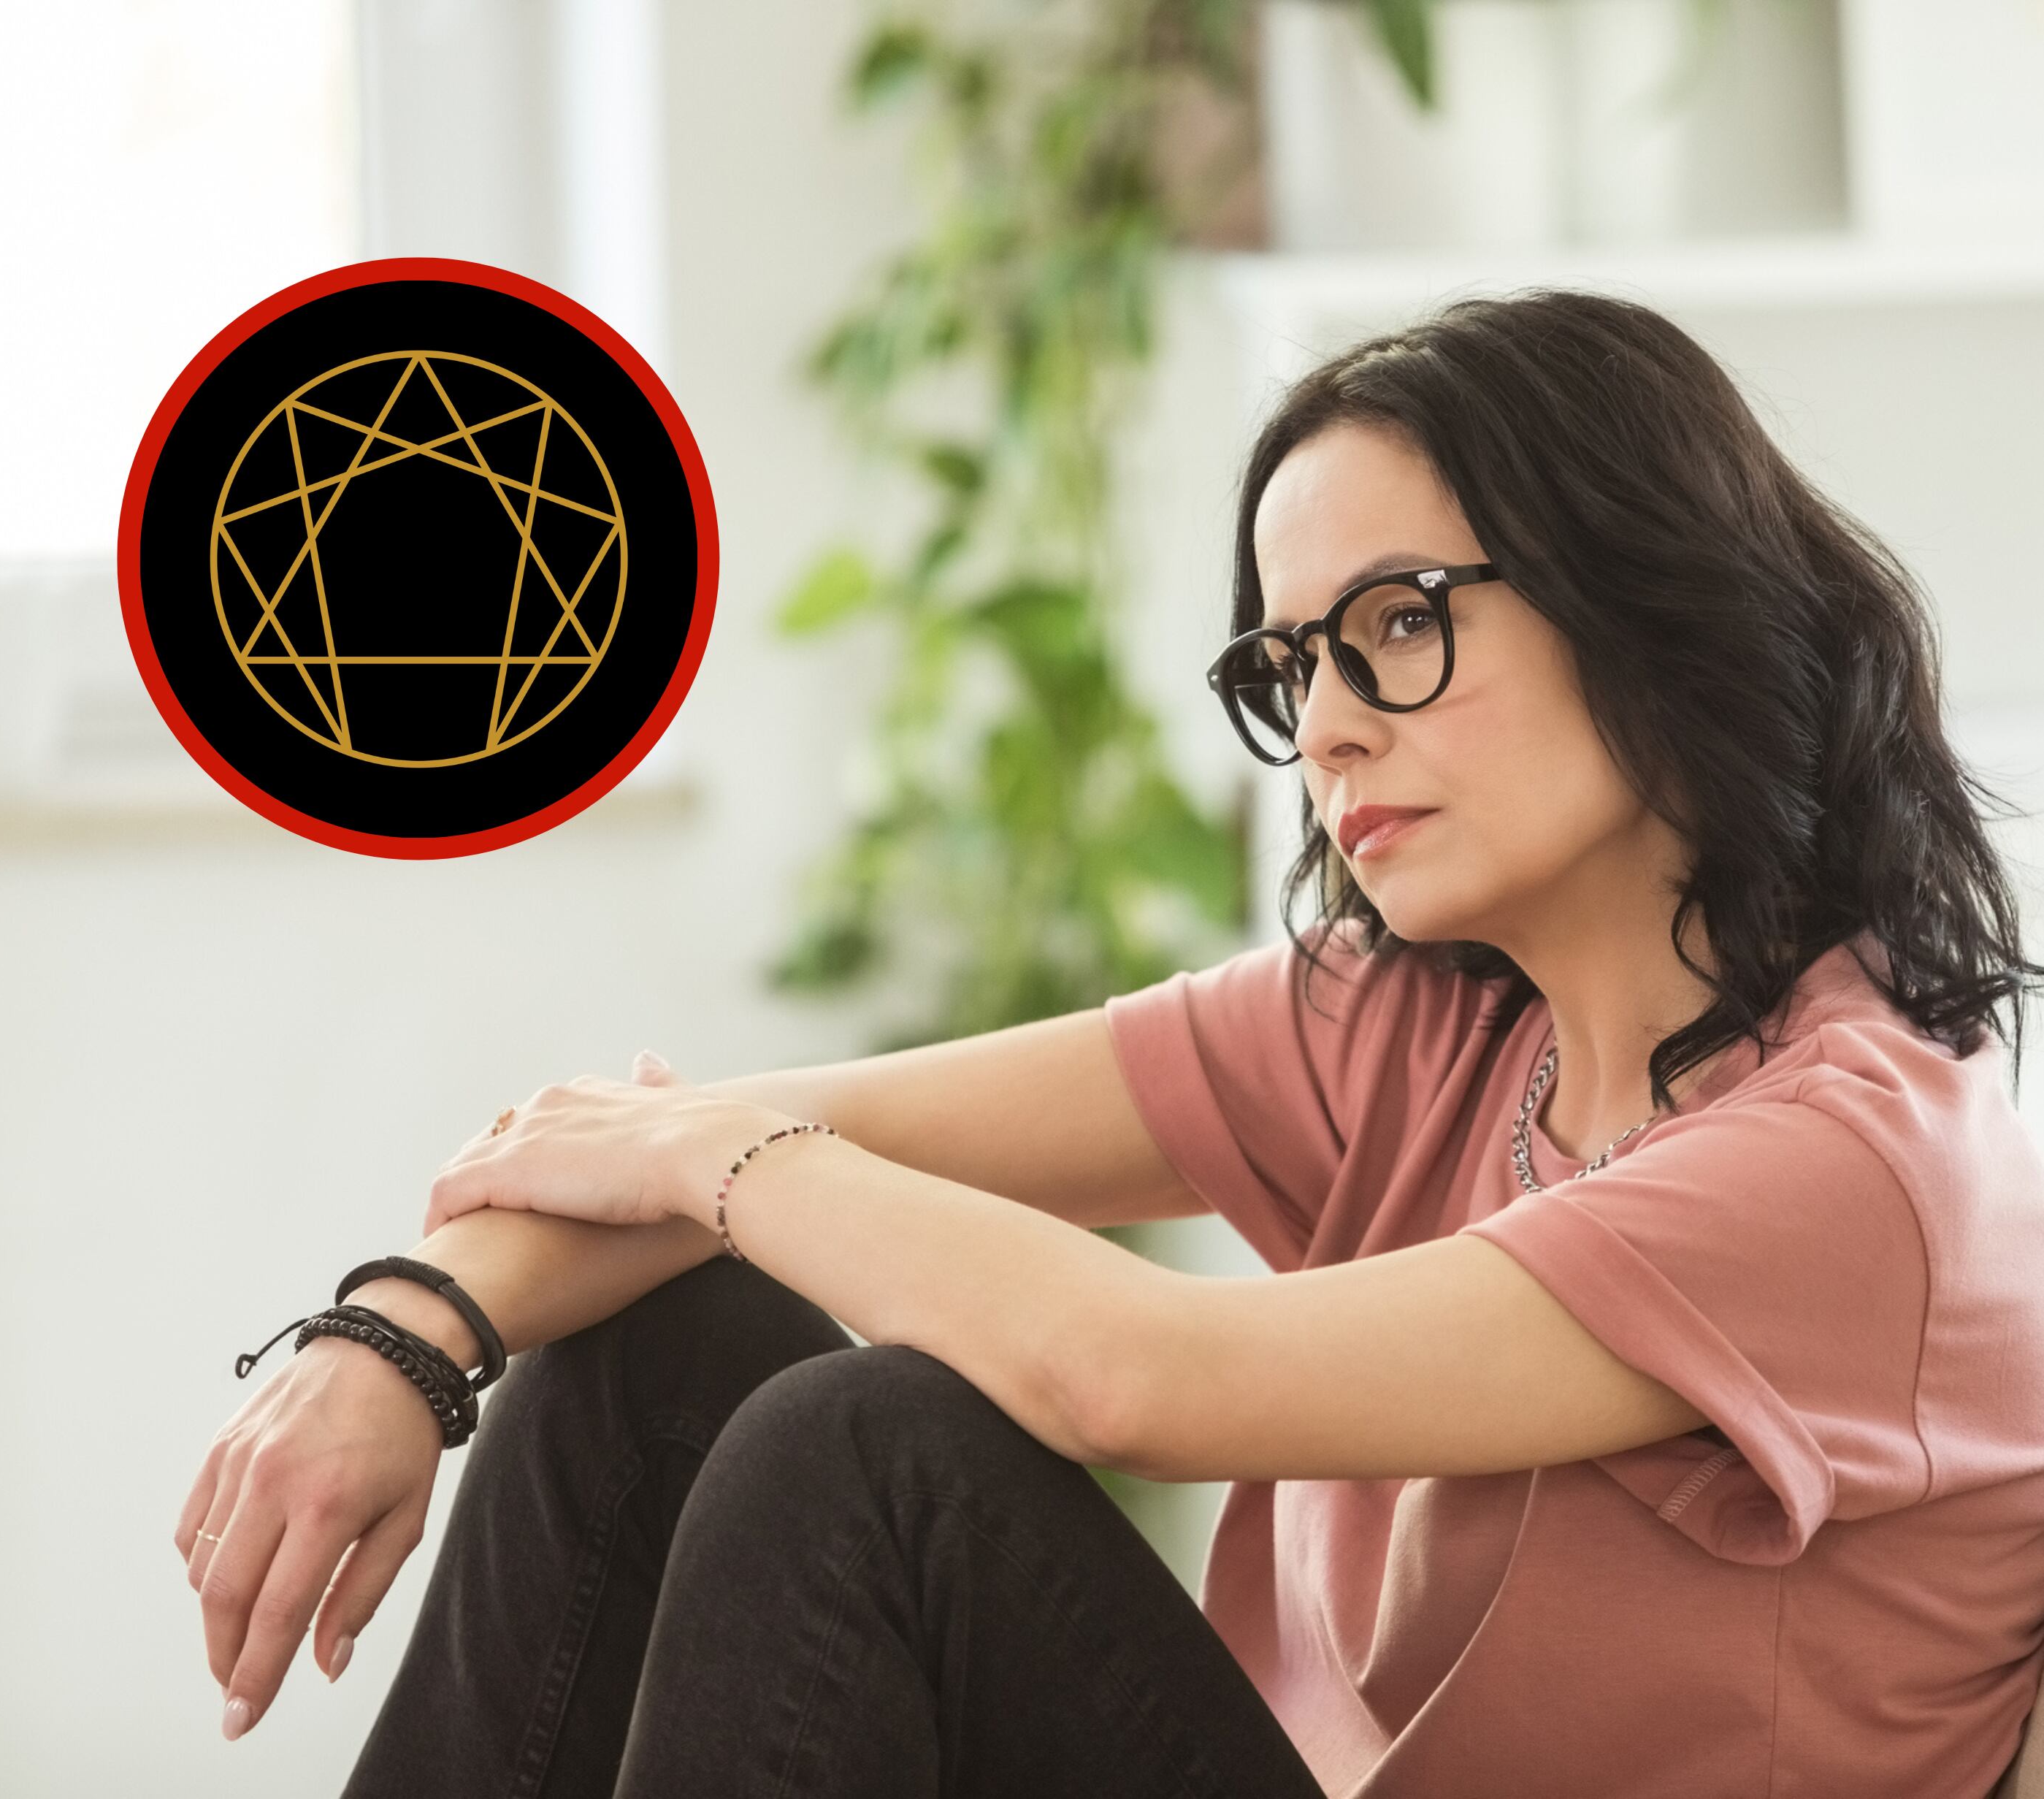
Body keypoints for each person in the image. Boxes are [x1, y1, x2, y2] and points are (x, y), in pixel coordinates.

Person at [175, 287, 2044, 1798]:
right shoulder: (1417, 1017)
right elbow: (670, 1165)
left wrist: (703, 1153)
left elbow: (1124, 1375)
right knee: (670, 1346)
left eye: (1395, 624)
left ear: (1653, 597)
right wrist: (405, 1329)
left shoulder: (1849, 1163)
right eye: (1288, 665)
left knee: (873, 1447)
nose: (1327, 725)